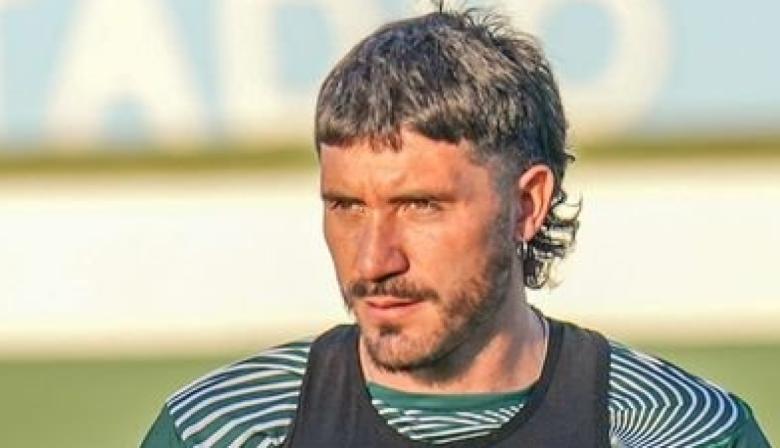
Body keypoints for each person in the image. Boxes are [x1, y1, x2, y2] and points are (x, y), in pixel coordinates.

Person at [141, 5, 770, 448]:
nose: (373, 261)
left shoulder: (676, 432)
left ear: (527, 205)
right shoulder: (223, 431)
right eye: (347, 206)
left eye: (421, 206)